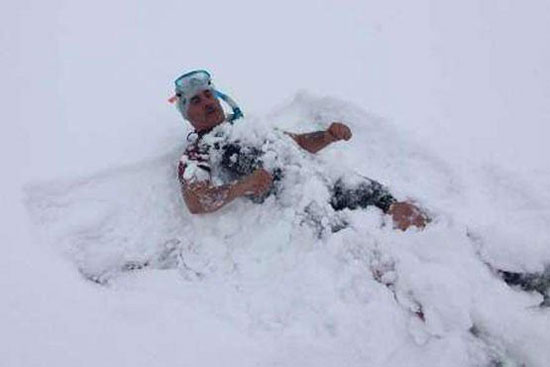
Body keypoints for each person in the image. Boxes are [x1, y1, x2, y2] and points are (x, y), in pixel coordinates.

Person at [171, 70, 428, 231]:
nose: (207, 102)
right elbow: (197, 201)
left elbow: (298, 143)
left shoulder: (249, 125)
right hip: (302, 204)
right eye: (196, 100)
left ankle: (446, 251)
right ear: (186, 113)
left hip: (324, 180)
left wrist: (327, 136)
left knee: (393, 205)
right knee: (361, 246)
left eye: (208, 95)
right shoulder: (198, 152)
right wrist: (244, 185)